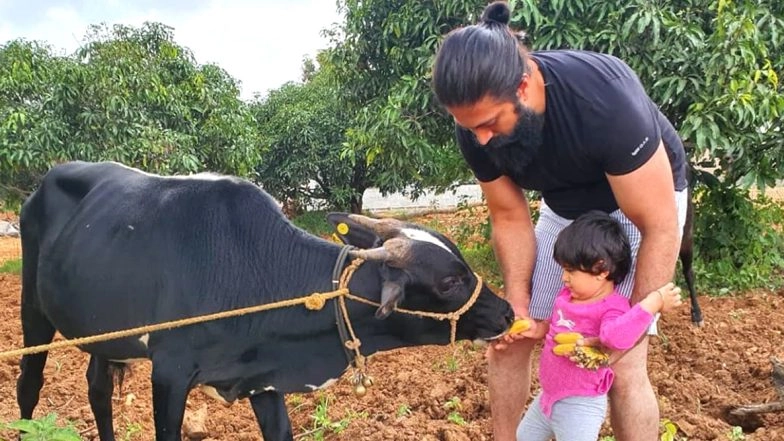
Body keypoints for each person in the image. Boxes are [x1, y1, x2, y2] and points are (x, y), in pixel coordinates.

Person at [430, 2, 689, 441]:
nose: (481, 138)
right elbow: (510, 216)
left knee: (624, 364)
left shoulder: (603, 100)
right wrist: (517, 300)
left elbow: (659, 224)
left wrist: (631, 327)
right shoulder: (475, 125)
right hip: (566, 207)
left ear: (524, 86)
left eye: (490, 123)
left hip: (640, 206)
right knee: (509, 340)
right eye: (470, 128)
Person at [516, 211, 683, 441]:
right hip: (549, 397)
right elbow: (554, 326)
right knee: (523, 436)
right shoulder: (567, 296)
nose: (564, 277)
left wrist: (653, 302)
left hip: (579, 404)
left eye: (570, 270)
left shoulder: (612, 307)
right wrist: (537, 330)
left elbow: (615, 338)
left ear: (601, 270)